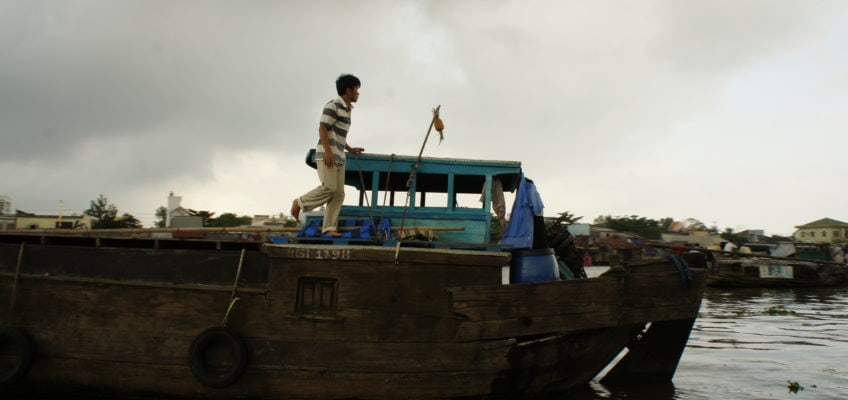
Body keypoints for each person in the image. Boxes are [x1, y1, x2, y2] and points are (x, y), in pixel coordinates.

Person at [291, 74, 364, 237]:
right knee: (329, 188)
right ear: (348, 90)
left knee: (338, 194)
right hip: (327, 154)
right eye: (356, 89)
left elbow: (337, 133)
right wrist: (328, 152)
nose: (358, 93)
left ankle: (329, 228)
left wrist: (350, 148)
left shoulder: (348, 109)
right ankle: (300, 203)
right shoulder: (333, 105)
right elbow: (322, 128)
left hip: (339, 155)